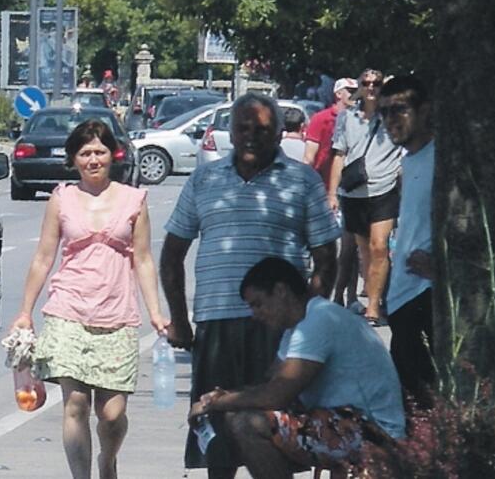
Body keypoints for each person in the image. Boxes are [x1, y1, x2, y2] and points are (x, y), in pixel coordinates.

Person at [160, 92, 340, 479]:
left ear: (279, 133)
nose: (251, 136)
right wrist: (180, 320)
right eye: (243, 128)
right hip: (216, 326)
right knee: (217, 438)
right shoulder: (205, 178)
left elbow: (327, 256)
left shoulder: (302, 180)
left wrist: (305, 321)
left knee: (274, 435)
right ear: (230, 131)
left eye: (262, 129)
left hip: (277, 331)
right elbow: (172, 253)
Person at [11, 119, 169, 479]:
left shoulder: (134, 200)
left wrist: (156, 312)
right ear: (74, 159)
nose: (93, 159)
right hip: (68, 310)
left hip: (118, 316)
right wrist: (25, 311)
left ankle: (107, 461)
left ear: (112, 154)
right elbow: (43, 258)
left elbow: (143, 259)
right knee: (76, 404)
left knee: (111, 415)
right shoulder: (62, 198)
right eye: (84, 153)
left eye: (99, 151)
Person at [188, 258, 406, 479]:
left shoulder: (319, 320)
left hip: (372, 433)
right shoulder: (297, 328)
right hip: (344, 423)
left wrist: (212, 403)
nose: (255, 314)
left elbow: (277, 395)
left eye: (258, 304)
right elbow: (267, 385)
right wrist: (224, 398)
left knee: (247, 423)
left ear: (281, 290)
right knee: (237, 414)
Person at [328, 69, 402, 324]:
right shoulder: (347, 118)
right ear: (359, 86)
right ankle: (371, 297)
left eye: (376, 83)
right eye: (366, 83)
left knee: (379, 246)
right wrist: (332, 193)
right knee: (365, 251)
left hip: (385, 188)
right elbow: (339, 155)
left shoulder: (393, 116)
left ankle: (373, 306)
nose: (371, 88)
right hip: (355, 192)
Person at [379, 75, 436, 406]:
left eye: (399, 110)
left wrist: (444, 269)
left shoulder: (441, 159)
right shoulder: (407, 161)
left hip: (425, 296)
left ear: (424, 110)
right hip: (402, 297)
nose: (390, 120)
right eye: (384, 112)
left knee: (427, 402)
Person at [305, 77, 361, 307]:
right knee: (325, 248)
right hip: (322, 192)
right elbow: (309, 156)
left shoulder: (361, 120)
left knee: (352, 247)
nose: (354, 95)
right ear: (338, 93)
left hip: (350, 190)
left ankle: (350, 297)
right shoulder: (321, 119)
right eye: (350, 91)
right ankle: (323, 297)